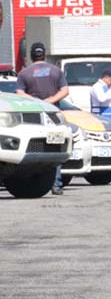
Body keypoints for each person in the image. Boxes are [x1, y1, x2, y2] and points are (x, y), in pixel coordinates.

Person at [15, 42, 69, 195]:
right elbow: (65, 91)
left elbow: (19, 93)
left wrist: (37, 103)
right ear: (44, 54)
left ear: (31, 56)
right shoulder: (56, 71)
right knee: (56, 148)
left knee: (33, 148)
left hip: (32, 118)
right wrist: (50, 101)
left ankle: (31, 181)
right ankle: (56, 184)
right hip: (54, 117)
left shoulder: (24, 73)